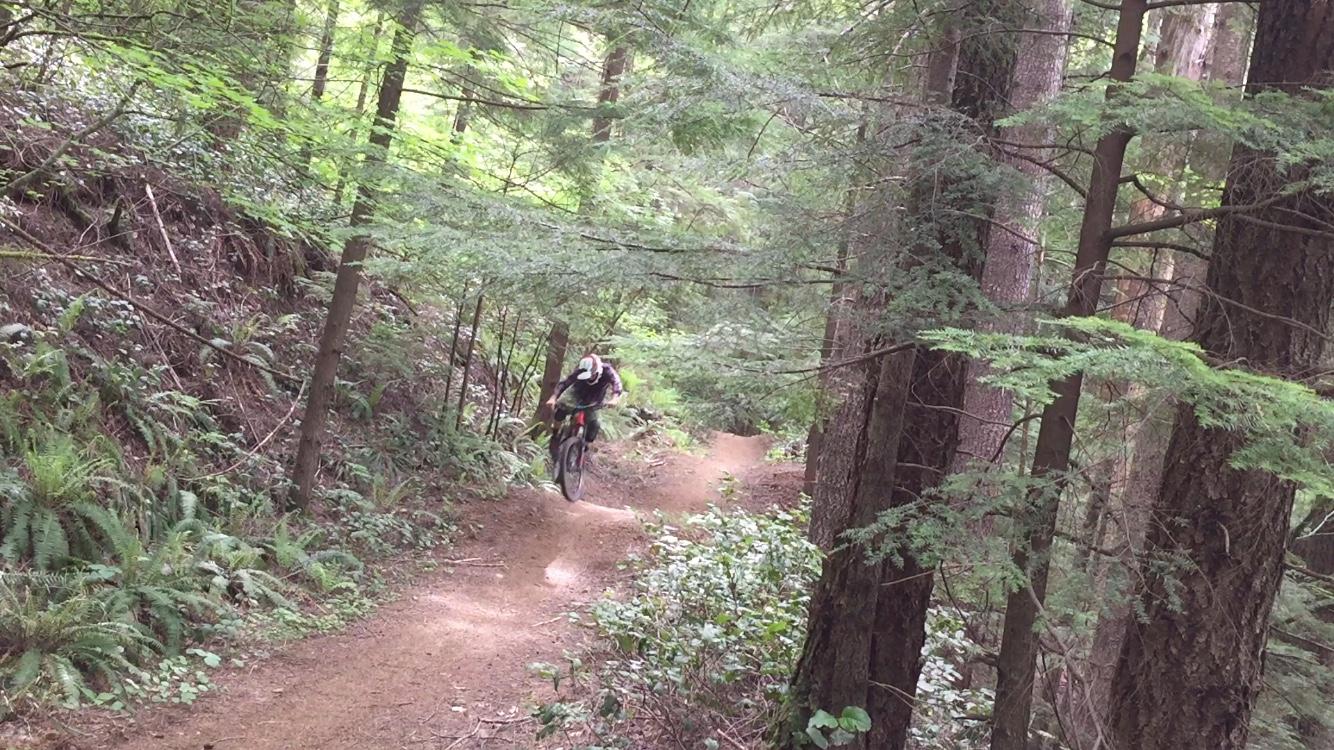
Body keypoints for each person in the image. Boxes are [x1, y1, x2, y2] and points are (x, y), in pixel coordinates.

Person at [545, 353, 622, 455]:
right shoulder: (580, 370)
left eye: (592, 375)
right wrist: (553, 398)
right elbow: (564, 383)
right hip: (576, 393)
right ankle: (555, 435)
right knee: (561, 409)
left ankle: (585, 443)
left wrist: (615, 398)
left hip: (594, 399)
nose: (589, 378)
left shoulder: (607, 371)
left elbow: (616, 382)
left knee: (594, 424)